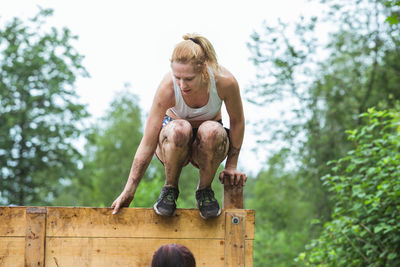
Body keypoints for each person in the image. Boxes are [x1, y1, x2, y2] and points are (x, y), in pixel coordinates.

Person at [111, 33, 246, 219]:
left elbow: (237, 121)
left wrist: (231, 165)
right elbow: (148, 141)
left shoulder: (225, 82)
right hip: (173, 142)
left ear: (204, 70)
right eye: (178, 77)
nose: (182, 85)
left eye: (189, 79)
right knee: (180, 128)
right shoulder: (167, 87)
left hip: (208, 142)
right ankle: (170, 189)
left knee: (212, 130)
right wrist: (130, 189)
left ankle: (205, 191)